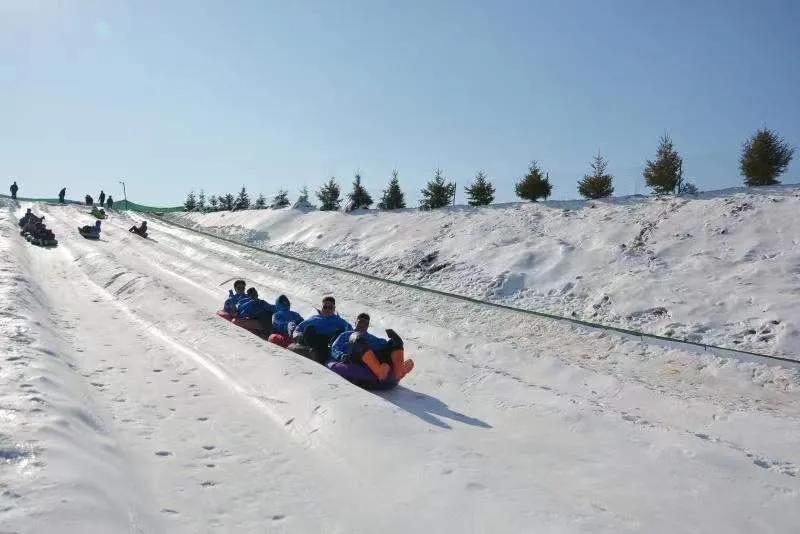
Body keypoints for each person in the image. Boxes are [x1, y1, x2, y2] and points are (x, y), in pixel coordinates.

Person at [330, 312, 414, 382]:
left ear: (368, 325)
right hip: (354, 357)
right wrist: (340, 356)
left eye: (365, 323)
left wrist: (394, 342)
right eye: (360, 322)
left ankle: (399, 371)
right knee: (357, 337)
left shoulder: (371, 337)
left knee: (396, 341)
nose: (362, 324)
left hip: (372, 358)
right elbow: (334, 348)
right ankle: (379, 372)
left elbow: (384, 345)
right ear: (355, 323)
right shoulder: (346, 334)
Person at [290, 296, 352, 363]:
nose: (327, 309)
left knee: (338, 332)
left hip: (329, 343)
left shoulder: (340, 322)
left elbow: (350, 333)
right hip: (313, 340)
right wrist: (298, 336)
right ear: (322, 308)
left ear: (334, 308)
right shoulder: (315, 318)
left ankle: (321, 355)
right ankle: (311, 351)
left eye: (330, 307)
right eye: (325, 307)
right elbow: (298, 329)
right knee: (310, 328)